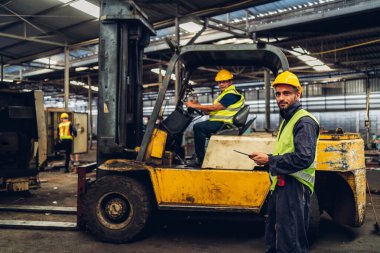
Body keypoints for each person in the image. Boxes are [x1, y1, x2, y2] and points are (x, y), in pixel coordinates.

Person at [249, 71, 319, 253]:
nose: (281, 98)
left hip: (294, 188)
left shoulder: (304, 121)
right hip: (281, 185)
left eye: (286, 93)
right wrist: (267, 160)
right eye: (278, 94)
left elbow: (304, 157)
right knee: (275, 236)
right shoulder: (287, 120)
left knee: (291, 242)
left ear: (298, 94)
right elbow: (287, 152)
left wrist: (270, 159)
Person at [185, 69, 244, 166]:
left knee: (198, 127)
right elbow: (211, 111)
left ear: (230, 82)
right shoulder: (224, 94)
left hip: (225, 124)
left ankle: (200, 159)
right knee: (200, 126)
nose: (221, 84)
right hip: (220, 122)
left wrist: (194, 106)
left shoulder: (231, 94)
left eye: (224, 82)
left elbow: (214, 107)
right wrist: (198, 105)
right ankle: (200, 155)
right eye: (219, 82)